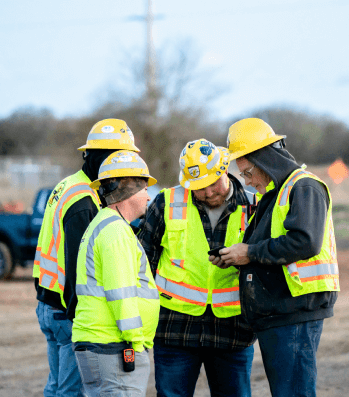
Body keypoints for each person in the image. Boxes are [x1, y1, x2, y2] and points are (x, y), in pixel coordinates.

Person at [212, 118, 340, 397]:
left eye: (247, 173)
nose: (247, 181)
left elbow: (305, 241)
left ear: (265, 160)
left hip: (294, 309)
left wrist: (250, 253)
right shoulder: (276, 192)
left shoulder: (303, 187)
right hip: (280, 312)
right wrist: (238, 256)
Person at [137, 139, 257, 397]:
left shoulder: (255, 206)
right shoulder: (166, 202)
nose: (208, 192)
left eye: (213, 183)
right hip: (174, 330)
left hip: (233, 332)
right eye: (199, 187)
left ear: (225, 170)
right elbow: (142, 262)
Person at [33, 118, 140, 397]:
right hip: (66, 310)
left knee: (57, 388)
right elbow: (77, 267)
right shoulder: (85, 201)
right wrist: (83, 323)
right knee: (70, 392)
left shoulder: (70, 185)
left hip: (49, 301)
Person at [71, 150, 161, 396]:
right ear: (128, 189)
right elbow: (120, 293)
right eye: (144, 188)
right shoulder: (115, 232)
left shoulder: (107, 224)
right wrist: (137, 341)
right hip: (113, 346)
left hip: (104, 344)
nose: (147, 196)